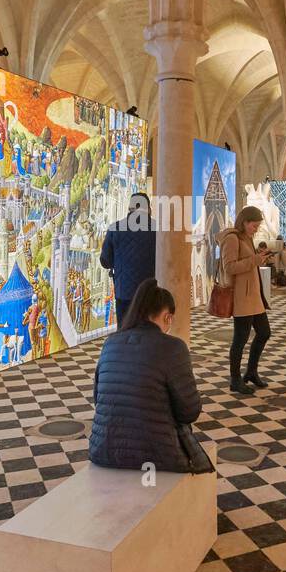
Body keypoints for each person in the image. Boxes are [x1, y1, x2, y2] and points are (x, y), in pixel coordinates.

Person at [89, 278, 213, 474]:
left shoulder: (110, 343)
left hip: (103, 450)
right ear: (166, 316)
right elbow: (189, 412)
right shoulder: (173, 347)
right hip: (158, 454)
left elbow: (98, 399)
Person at [221, 205, 275, 394]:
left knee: (264, 333)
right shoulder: (232, 238)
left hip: (254, 297)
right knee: (240, 339)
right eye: (254, 226)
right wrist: (254, 261)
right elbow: (229, 267)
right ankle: (235, 379)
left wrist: (259, 259)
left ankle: (251, 371)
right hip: (242, 297)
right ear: (244, 222)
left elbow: (247, 263)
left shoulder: (247, 237)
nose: (256, 229)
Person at [99, 192, 157, 323]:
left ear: (130, 208)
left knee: (125, 331)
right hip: (149, 293)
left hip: (124, 292)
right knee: (147, 330)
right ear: (148, 209)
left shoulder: (115, 228)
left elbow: (105, 261)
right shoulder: (157, 229)